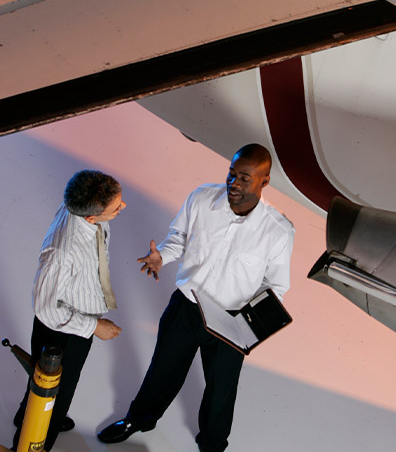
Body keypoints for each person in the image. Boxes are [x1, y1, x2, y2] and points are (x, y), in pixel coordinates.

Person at [98, 144, 295, 452]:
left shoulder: (278, 231)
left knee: (221, 390)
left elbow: (276, 285)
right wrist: (161, 256)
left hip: (231, 321)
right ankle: (139, 419)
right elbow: (180, 238)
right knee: (163, 369)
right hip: (187, 307)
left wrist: (249, 324)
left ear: (264, 182)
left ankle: (213, 443)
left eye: (245, 178)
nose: (234, 183)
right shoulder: (202, 198)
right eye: (231, 174)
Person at [12, 169, 125, 452]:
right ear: (90, 217)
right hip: (62, 332)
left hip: (76, 314)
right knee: (57, 393)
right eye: (116, 208)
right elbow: (46, 308)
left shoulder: (81, 210)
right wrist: (94, 327)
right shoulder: (62, 253)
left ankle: (24, 416)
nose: (123, 208)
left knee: (40, 381)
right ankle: (34, 442)